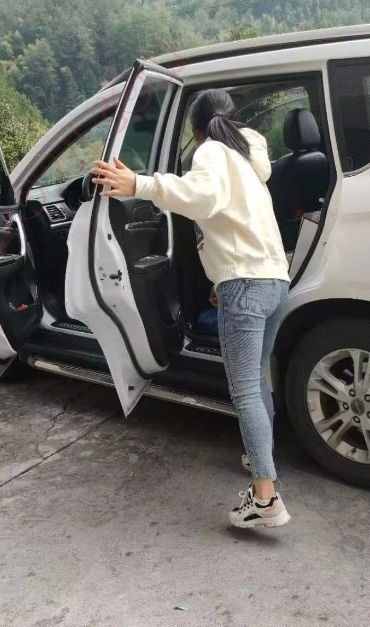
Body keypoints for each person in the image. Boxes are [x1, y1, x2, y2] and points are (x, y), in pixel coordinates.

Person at [91, 88, 291, 529]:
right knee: (257, 380)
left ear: (196, 130)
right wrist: (223, 277)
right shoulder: (249, 159)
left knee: (244, 389)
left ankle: (266, 499)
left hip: (246, 284)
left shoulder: (213, 152)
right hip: (275, 281)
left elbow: (202, 197)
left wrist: (140, 184)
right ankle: (260, 457)